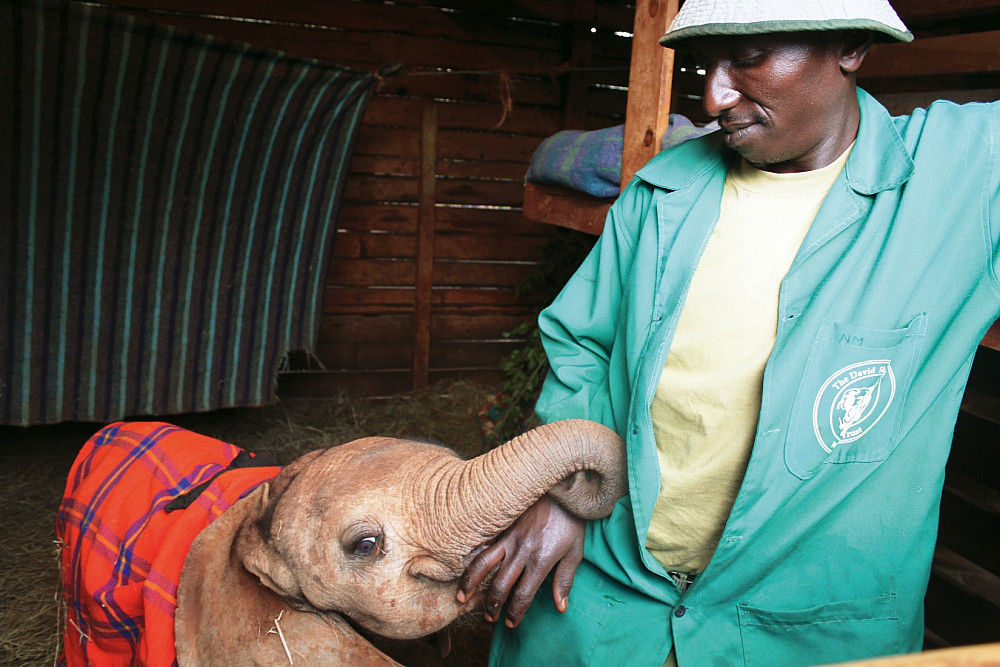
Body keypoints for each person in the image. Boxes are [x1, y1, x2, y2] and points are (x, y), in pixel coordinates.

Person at [457, 0, 1000, 664]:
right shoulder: (664, 190)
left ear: (852, 45)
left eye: (746, 58)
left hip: (807, 631)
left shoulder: (961, 178)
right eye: (705, 63)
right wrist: (568, 491)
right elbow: (586, 346)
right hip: (608, 595)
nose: (714, 96)